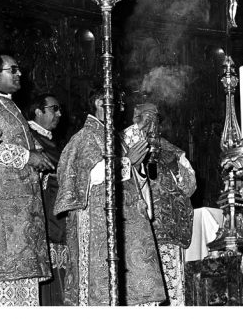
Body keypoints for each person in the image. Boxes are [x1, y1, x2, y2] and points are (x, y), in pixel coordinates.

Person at [53, 89, 166, 305]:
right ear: (99, 102)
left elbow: (130, 176)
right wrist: (127, 162)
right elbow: (86, 176)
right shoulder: (85, 137)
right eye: (116, 103)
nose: (121, 108)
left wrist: (137, 168)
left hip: (128, 220)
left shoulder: (114, 137)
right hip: (99, 223)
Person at [0, 53, 54, 306]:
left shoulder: (9, 105)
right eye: (12, 69)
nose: (19, 74)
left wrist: (39, 161)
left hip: (23, 215)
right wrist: (27, 156)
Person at [120, 103, 197, 305]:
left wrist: (174, 167)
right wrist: (138, 128)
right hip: (138, 231)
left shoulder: (172, 150)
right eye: (143, 118)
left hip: (168, 231)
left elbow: (190, 187)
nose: (148, 124)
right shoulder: (124, 143)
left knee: (173, 290)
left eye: (153, 119)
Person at [27, 93, 66, 305]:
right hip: (43, 222)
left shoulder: (54, 143)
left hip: (57, 219)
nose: (59, 114)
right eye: (54, 109)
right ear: (38, 111)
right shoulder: (28, 136)